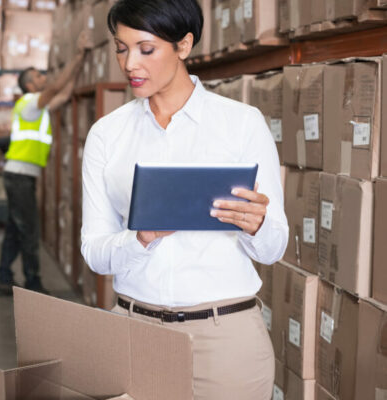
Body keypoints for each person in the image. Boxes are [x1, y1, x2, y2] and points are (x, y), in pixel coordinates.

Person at [80, 1, 288, 398]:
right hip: (135, 332)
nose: (129, 64)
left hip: (226, 339)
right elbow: (94, 252)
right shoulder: (107, 135)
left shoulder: (241, 124)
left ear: (184, 45)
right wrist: (141, 237)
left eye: (146, 48)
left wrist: (257, 225)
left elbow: (273, 247)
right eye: (121, 48)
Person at [0, 31, 93, 297]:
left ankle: (3, 278)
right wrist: (79, 53)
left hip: (22, 176)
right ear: (29, 85)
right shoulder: (28, 104)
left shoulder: (38, 108)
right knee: (29, 230)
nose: (43, 78)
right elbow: (57, 88)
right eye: (38, 76)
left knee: (16, 228)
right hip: (19, 176)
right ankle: (33, 283)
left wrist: (82, 64)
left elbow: (66, 91)